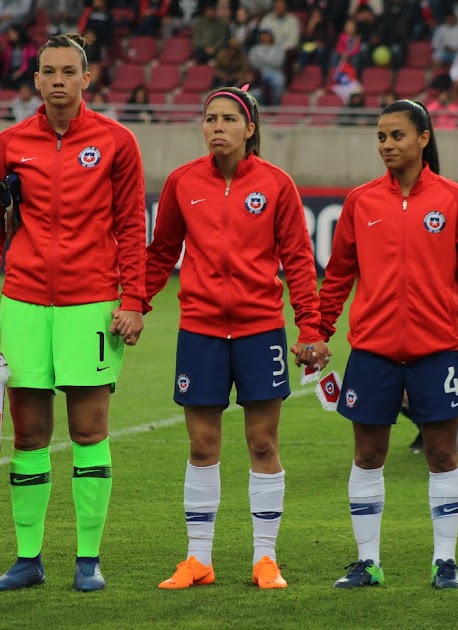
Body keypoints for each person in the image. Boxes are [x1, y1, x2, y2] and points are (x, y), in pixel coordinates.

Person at [316, 99, 458, 590]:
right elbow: (337, 275)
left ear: (423, 139)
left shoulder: (453, 199)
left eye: (396, 136)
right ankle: (368, 561)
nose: (387, 145)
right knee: (368, 456)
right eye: (381, 137)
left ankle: (445, 561)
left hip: (436, 350)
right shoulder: (361, 201)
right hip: (373, 351)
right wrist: (318, 331)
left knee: (443, 456)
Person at [144, 86, 324, 590]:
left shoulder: (277, 184)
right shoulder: (183, 183)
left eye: (228, 118)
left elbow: (298, 260)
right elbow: (161, 254)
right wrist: (135, 302)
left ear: (250, 129)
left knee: (262, 443)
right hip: (199, 330)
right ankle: (198, 559)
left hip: (259, 329)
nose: (217, 126)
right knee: (202, 445)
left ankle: (265, 558)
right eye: (209, 119)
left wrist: (309, 326)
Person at [0, 33, 147, 592]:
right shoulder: (11, 142)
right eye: (48, 72)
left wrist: (132, 300)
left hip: (91, 301)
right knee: (29, 433)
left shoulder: (116, 141)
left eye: (69, 71)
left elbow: (133, 225)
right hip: (24, 302)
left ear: (87, 79)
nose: (58, 80)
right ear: (35, 80)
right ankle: (28, 558)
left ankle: (88, 559)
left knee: (89, 430)